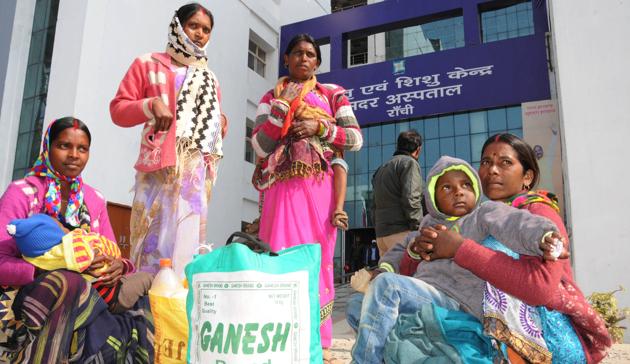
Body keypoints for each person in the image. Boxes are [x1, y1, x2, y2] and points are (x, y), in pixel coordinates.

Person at [411, 133, 612, 362]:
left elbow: (540, 289)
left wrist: (461, 250)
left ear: (527, 176)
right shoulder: (477, 217)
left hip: (545, 347)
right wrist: (420, 250)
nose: (492, 170)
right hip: (494, 340)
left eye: (505, 162)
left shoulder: (538, 215)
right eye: (486, 162)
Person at [350, 156, 564, 363]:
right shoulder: (427, 225)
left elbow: (514, 223)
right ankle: (392, 350)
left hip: (456, 300)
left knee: (387, 286)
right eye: (447, 188)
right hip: (423, 293)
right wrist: (383, 268)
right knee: (356, 305)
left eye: (465, 186)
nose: (459, 192)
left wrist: (544, 236)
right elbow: (399, 250)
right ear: (432, 196)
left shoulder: (482, 215)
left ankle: (365, 360)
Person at [0, 117, 152, 363]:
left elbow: (113, 252)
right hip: (27, 298)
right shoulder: (22, 192)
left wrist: (118, 266)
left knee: (144, 285)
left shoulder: (93, 199)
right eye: (64, 146)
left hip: (92, 289)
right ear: (47, 148)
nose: (74, 155)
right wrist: (44, 269)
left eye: (82, 149)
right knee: (68, 282)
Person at [251, 33, 363, 361]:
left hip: (320, 188)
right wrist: (283, 106)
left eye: (311, 54)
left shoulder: (332, 94)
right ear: (285, 60)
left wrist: (319, 129)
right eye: (297, 53)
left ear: (317, 62)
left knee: (318, 259)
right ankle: (278, 335)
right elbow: (259, 146)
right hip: (279, 189)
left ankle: (317, 337)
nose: (304, 58)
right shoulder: (270, 96)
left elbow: (354, 139)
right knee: (278, 255)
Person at [110, 3, 227, 277]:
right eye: (193, 26)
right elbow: (118, 109)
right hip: (158, 169)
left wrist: (221, 122)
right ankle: (145, 308)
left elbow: (214, 121)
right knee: (152, 241)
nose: (199, 34)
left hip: (193, 175)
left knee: (186, 245)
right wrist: (150, 105)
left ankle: (176, 310)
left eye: (206, 30)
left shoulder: (210, 77)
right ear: (178, 26)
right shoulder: (148, 63)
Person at [7, 213, 152, 313]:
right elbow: (102, 249)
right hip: (116, 297)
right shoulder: (73, 252)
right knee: (148, 279)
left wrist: (121, 265)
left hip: (110, 291)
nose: (67, 230)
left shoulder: (44, 260)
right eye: (61, 228)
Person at [371, 130, 423, 256]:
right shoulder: (409, 163)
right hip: (401, 233)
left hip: (381, 236)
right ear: (418, 150)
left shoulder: (381, 169)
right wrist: (420, 227)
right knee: (407, 274)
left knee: (388, 274)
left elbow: (373, 206)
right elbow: (411, 198)